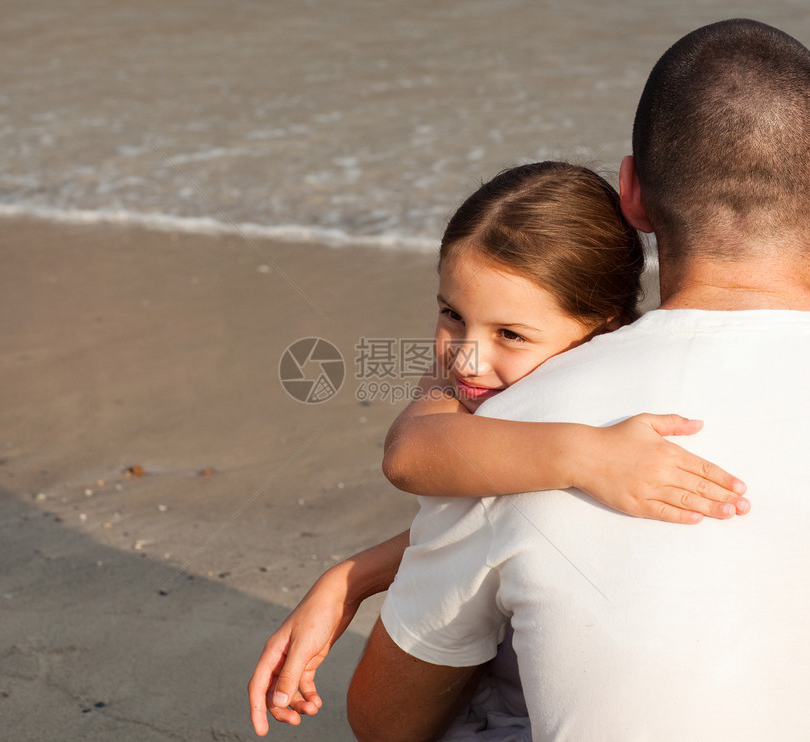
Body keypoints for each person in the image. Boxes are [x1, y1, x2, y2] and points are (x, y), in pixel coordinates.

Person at [347, 18, 810, 742]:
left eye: (507, 333)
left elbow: (382, 723)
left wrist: (355, 577)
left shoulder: (517, 435)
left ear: (632, 193)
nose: (467, 358)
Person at [248, 162, 748, 737]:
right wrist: (351, 577)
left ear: (602, 330)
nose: (467, 357)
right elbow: (409, 453)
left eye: (510, 334)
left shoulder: (614, 417)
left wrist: (590, 452)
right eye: (451, 314)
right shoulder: (487, 389)